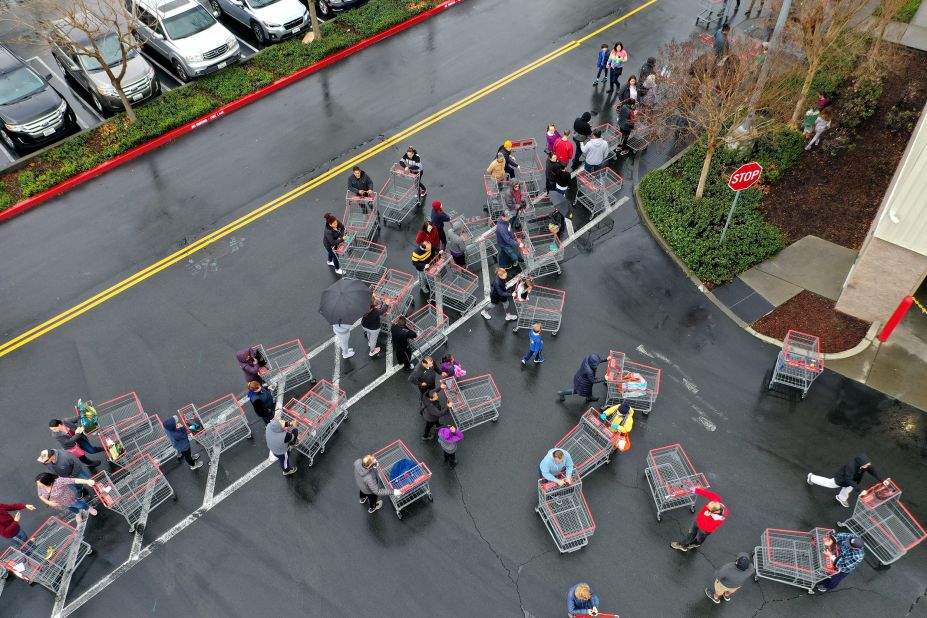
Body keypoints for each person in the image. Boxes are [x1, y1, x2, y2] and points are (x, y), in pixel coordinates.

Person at [807, 453, 889, 508]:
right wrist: (860, 490)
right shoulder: (851, 467)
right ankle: (811, 477)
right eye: (867, 464)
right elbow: (848, 479)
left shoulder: (863, 465)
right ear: (861, 463)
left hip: (851, 481)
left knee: (849, 488)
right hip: (842, 479)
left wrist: (882, 480)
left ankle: (841, 498)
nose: (868, 465)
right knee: (830, 483)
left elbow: (873, 471)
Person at [671, 487, 728, 551]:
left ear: (715, 511)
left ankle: (683, 545)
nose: (706, 507)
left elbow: (704, 526)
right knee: (700, 537)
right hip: (700, 522)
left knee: (694, 534)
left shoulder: (717, 519)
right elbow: (709, 494)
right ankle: (697, 543)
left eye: (708, 509)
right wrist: (696, 490)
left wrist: (705, 516)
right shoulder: (716, 501)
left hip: (705, 529)